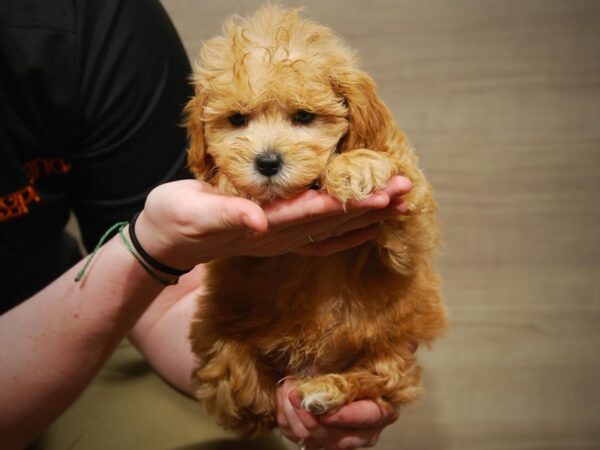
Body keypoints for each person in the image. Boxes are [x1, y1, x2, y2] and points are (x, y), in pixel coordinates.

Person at [0, 1, 411, 449]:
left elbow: (166, 298)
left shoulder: (90, 17)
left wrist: (280, 380)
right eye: (239, 119)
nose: (267, 151)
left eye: (302, 117)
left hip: (73, 312)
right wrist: (149, 247)